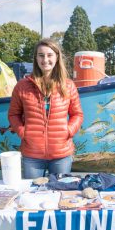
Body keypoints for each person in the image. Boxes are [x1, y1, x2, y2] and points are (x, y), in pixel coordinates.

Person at [8, 38, 84, 179]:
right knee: (32, 195)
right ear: (36, 58)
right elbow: (13, 114)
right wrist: (23, 132)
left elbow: (77, 114)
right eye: (41, 55)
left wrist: (68, 131)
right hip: (32, 155)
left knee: (59, 193)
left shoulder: (68, 85)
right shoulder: (22, 86)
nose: (45, 59)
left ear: (57, 57)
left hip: (61, 155)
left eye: (49, 55)